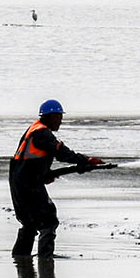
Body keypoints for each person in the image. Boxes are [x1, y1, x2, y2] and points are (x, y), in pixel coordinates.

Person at [8, 99, 106, 257]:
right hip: (29, 184)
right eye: (58, 117)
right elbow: (62, 154)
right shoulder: (42, 133)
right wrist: (86, 160)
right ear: (49, 116)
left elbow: (29, 162)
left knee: (30, 223)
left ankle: (20, 257)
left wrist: (47, 174)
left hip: (19, 182)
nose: (60, 121)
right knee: (48, 220)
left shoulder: (33, 129)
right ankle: (45, 258)